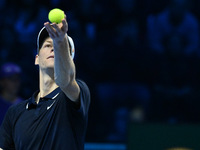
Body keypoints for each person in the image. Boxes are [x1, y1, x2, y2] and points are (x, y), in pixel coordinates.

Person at [0, 12, 90, 150]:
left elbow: (65, 81)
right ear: (37, 58)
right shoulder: (15, 112)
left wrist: (60, 41)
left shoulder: (75, 95)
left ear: (70, 59)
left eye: (62, 47)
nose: (54, 47)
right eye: (48, 45)